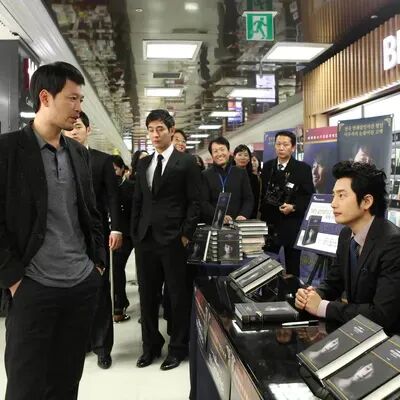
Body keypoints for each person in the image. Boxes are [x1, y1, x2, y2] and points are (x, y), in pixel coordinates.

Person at [0, 61, 105, 399]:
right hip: (32, 288)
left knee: (66, 383)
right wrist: (14, 279)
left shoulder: (78, 153)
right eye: (72, 99)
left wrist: (97, 265)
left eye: (80, 100)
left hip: (79, 286)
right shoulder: (7, 150)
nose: (78, 108)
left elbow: (91, 213)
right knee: (25, 386)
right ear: (45, 97)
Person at [131, 109, 201, 371]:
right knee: (147, 295)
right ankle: (150, 346)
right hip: (146, 239)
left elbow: (195, 202)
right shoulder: (144, 164)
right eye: (150, 130)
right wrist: (135, 232)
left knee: (177, 295)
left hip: (173, 239)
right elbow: (139, 200)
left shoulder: (186, 162)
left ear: (171, 131)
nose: (155, 134)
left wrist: (185, 234)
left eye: (160, 129)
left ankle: (178, 348)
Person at [295, 161, 400, 333]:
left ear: (366, 201)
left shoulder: (393, 243)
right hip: (356, 332)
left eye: (342, 196)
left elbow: (382, 315)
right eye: (334, 195)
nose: (333, 203)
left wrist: (322, 307)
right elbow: (335, 280)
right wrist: (314, 295)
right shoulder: (346, 234)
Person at [64, 111, 122, 370]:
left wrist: (116, 229)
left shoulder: (102, 161)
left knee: (99, 290)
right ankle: (80, 342)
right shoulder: (59, 158)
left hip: (96, 236)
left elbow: (113, 198)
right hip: (67, 236)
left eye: (78, 127)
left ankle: (102, 347)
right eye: (69, 128)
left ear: (88, 130)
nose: (73, 132)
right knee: (72, 292)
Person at [261, 130, 314, 277]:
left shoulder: (302, 169)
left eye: (285, 144)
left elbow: (308, 195)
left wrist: (294, 207)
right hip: (270, 223)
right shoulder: (267, 167)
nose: (281, 148)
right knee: (267, 265)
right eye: (278, 144)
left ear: (293, 147)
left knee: (292, 265)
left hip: (291, 222)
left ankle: (293, 289)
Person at [201, 137, 254, 225]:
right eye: (215, 151)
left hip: (237, 223)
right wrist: (219, 215)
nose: (219, 154)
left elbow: (248, 199)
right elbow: (204, 202)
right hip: (213, 224)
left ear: (229, 152)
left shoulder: (241, 173)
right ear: (212, 155)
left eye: (222, 149)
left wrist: (243, 214)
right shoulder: (205, 175)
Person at [111, 155, 135, 323]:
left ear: (122, 169)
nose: (112, 173)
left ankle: (119, 305)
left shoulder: (131, 187)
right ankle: (118, 305)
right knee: (116, 269)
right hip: (116, 234)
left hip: (131, 234)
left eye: (114, 169)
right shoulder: (106, 187)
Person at [233, 144, 261, 219]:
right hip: (230, 216)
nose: (243, 157)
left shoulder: (254, 178)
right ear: (234, 157)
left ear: (249, 159)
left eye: (246, 155)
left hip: (248, 216)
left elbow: (255, 200)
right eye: (240, 155)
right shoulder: (228, 175)